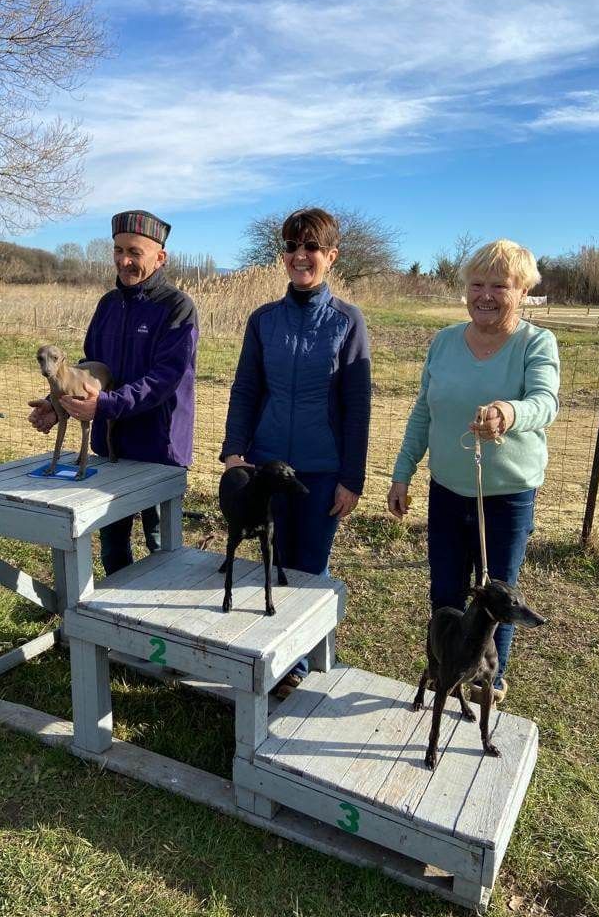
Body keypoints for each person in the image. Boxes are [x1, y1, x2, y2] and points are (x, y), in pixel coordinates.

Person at [387, 239, 559, 702]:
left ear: (522, 291)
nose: (485, 294)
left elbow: (546, 402)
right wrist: (403, 471)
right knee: (445, 592)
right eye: (477, 284)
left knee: (496, 597)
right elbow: (423, 411)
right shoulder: (444, 343)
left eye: (499, 285)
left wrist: (509, 411)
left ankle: (489, 682)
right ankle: (445, 673)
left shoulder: (536, 343)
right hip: (447, 490)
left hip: (506, 496)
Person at [221, 207, 371, 695]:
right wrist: (234, 450)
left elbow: (357, 405)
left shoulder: (348, 322)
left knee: (310, 565)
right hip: (264, 464)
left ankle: (306, 660)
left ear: (330, 256)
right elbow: (246, 388)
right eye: (292, 247)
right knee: (272, 558)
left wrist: (353, 478)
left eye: (311, 248)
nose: (300, 256)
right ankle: (273, 657)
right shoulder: (263, 320)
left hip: (321, 470)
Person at [29, 210, 198, 574]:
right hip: (110, 449)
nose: (124, 260)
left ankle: (161, 623)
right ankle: (115, 624)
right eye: (118, 250)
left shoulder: (177, 308)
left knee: (161, 549)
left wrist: (104, 405)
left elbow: (164, 379)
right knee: (112, 546)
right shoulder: (107, 305)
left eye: (135, 252)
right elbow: (87, 370)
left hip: (158, 450)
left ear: (160, 257)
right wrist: (59, 403)